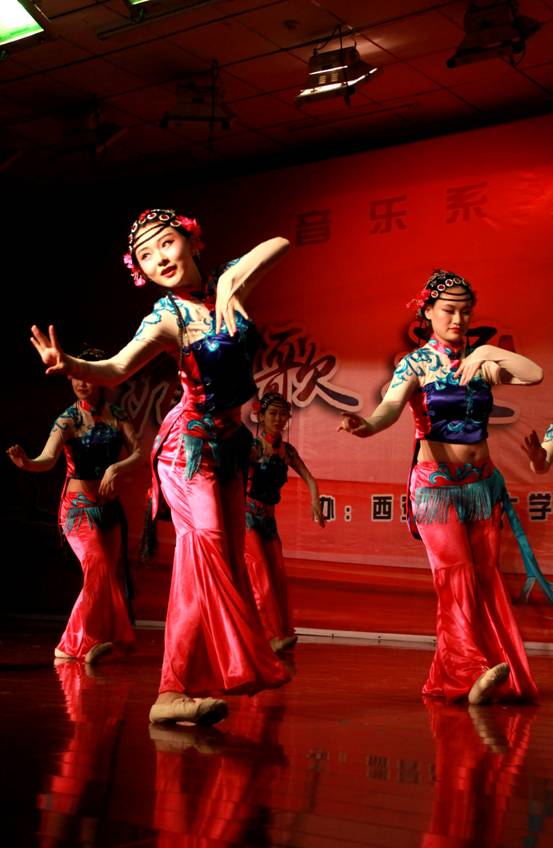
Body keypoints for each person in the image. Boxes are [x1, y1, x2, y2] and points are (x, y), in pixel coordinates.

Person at [29, 208, 291, 725]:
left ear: (192, 241)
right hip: (187, 448)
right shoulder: (166, 317)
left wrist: (229, 284)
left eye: (166, 244)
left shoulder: (227, 284)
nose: (159, 259)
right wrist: (70, 364)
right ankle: (181, 687)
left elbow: (279, 242)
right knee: (206, 547)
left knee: (223, 561)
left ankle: (179, 690)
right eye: (146, 256)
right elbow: (116, 368)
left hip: (230, 447)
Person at [339, 269, 542, 704]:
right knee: (456, 576)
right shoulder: (416, 364)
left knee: (484, 577)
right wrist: (366, 426)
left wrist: (486, 350)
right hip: (436, 486)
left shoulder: (481, 363)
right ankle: (468, 673)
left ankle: (472, 672)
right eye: (449, 310)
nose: (458, 319)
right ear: (427, 312)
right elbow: (390, 408)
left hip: (482, 486)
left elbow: (534, 374)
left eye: (466, 312)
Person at [7, 348, 140, 664]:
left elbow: (139, 453)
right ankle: (69, 645)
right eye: (75, 377)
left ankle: (101, 639)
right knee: (97, 565)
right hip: (78, 509)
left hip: (109, 509)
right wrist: (28, 463)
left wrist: (116, 468)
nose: (80, 383)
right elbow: (47, 459)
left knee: (108, 575)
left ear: (100, 378)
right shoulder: (67, 419)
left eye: (86, 376)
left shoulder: (117, 415)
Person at [245, 391, 325, 652]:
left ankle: (281, 632)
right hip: (247, 520)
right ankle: (269, 637)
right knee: (261, 578)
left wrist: (315, 502)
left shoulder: (287, 451)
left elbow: (309, 478)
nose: (278, 419)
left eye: (283, 414)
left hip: (269, 521)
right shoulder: (253, 448)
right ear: (260, 416)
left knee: (278, 577)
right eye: (273, 413)